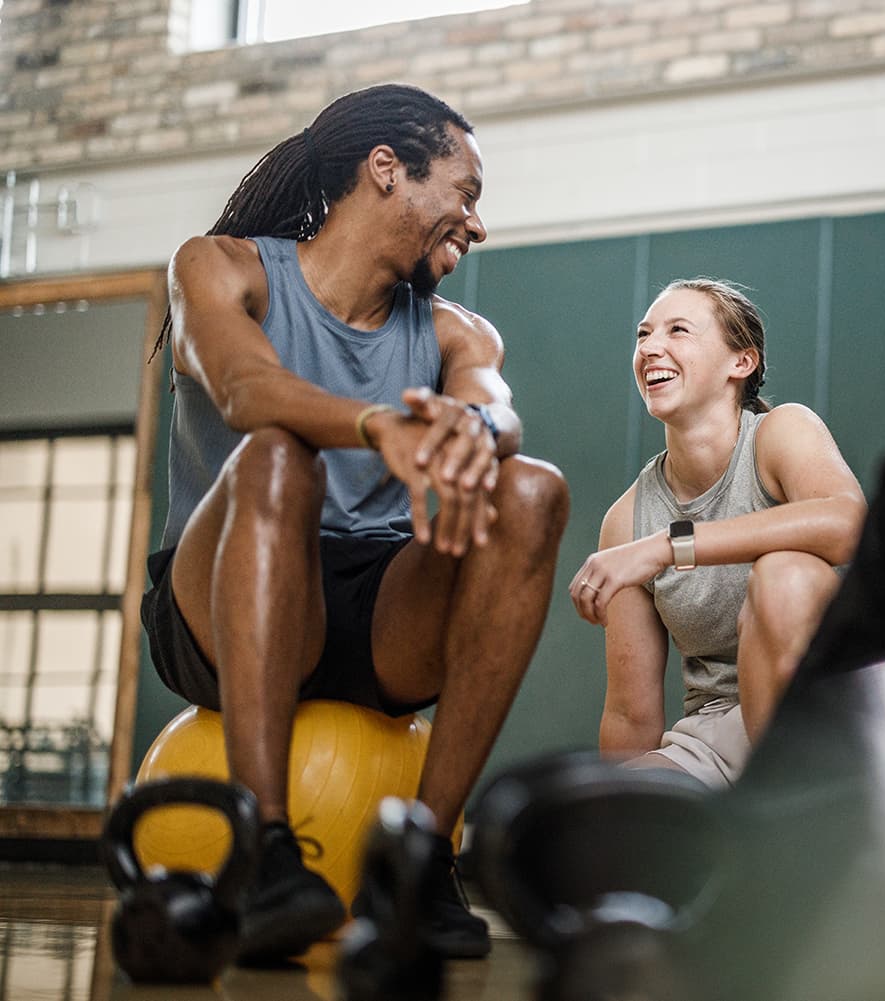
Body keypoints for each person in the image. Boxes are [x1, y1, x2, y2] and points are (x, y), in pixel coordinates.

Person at [141, 84, 570, 963]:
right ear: (387, 170)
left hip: (375, 614)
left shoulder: (457, 330)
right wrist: (382, 425)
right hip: (219, 599)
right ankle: (266, 849)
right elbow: (245, 390)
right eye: (466, 191)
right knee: (274, 454)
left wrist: (471, 428)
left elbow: (497, 406)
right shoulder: (221, 267)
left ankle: (421, 855)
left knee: (531, 491)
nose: (475, 224)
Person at [568, 278, 865, 789]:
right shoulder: (626, 521)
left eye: (678, 330)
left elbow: (847, 523)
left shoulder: (781, 433)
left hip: (827, 710)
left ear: (740, 362)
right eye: (643, 335)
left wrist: (668, 546)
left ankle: (796, 813)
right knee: (600, 822)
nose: (650, 348)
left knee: (783, 574)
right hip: (715, 737)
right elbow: (630, 715)